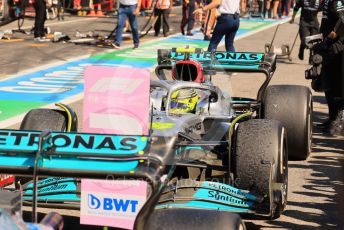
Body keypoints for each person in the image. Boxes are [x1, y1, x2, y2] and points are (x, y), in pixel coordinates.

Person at [313, 0, 344, 135]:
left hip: (336, 48)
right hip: (328, 46)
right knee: (327, 84)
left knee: (336, 86)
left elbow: (342, 21)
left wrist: (328, 43)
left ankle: (340, 121)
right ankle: (333, 117)